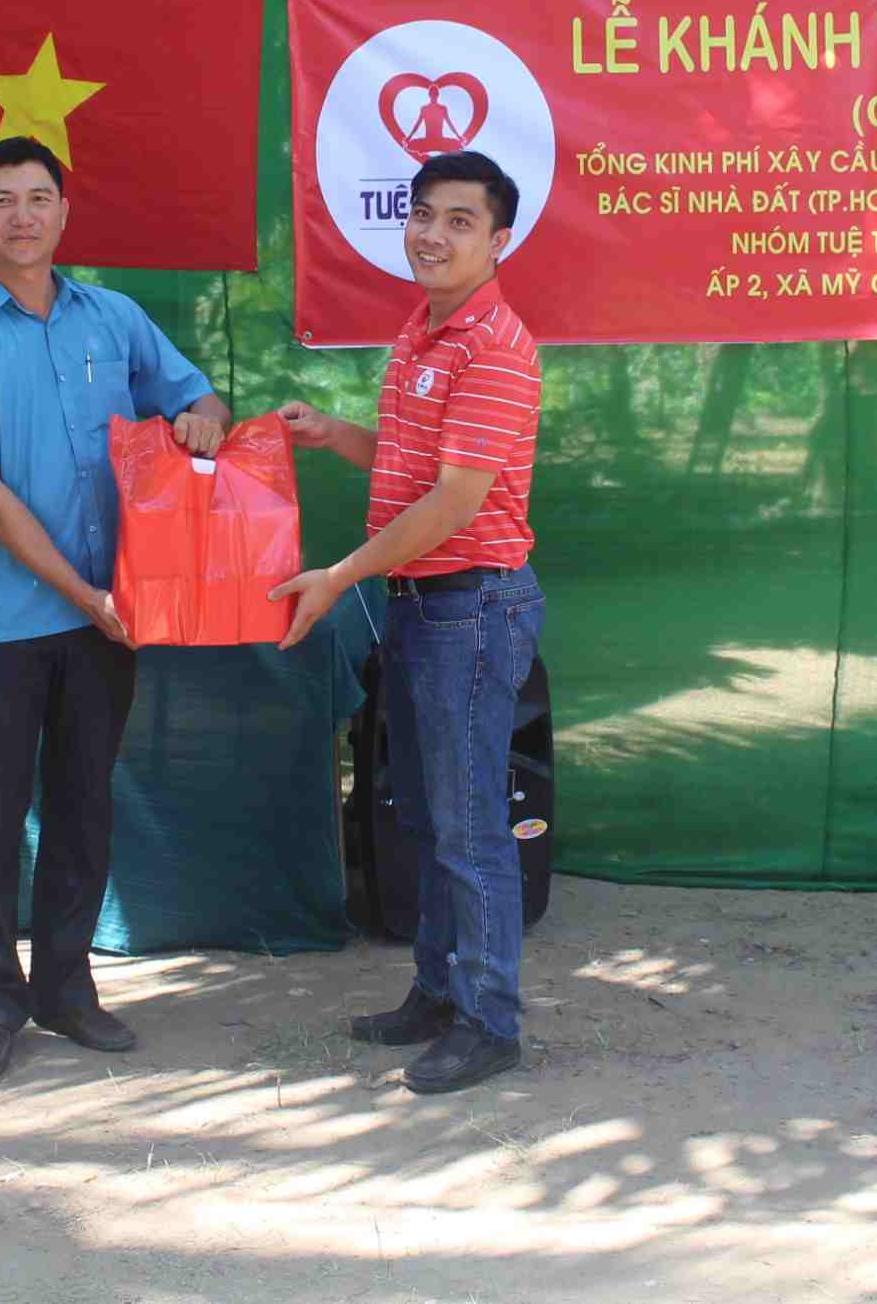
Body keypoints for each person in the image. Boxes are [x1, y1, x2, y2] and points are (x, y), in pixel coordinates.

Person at [0, 136, 231, 1080]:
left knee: (84, 805)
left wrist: (203, 418)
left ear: (63, 211)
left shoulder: (115, 318)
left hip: (110, 616)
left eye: (39, 197)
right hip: (10, 620)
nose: (23, 215)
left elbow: (199, 396)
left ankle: (65, 988)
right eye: (2, 199)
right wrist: (84, 595)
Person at [269, 150, 544, 1095]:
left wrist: (340, 574)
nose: (433, 234)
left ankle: (490, 1021)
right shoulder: (423, 331)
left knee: (470, 829)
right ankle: (437, 990)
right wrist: (332, 434)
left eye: (460, 221)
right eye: (423, 214)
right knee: (427, 819)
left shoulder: (492, 345)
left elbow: (457, 501)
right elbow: (414, 463)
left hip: (472, 607)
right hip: (424, 606)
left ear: (499, 240)